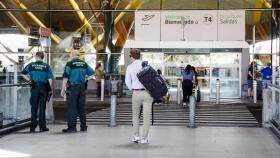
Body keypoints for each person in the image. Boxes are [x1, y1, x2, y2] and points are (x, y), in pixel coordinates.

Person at [60, 50, 94, 133]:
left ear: (73, 55)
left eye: (70, 54)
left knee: (72, 107)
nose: (70, 55)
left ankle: (72, 128)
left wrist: (62, 89)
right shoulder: (84, 64)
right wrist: (86, 79)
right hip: (82, 87)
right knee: (81, 107)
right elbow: (92, 74)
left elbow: (65, 77)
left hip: (73, 87)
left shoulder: (69, 64)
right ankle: (83, 127)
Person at [125, 48, 153, 144]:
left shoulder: (130, 67)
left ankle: (136, 136)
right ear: (140, 55)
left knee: (135, 115)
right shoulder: (147, 65)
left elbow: (127, 82)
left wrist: (132, 88)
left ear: (131, 56)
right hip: (148, 93)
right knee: (146, 117)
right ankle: (144, 138)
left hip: (136, 93)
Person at [21, 52, 53, 133]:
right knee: (42, 107)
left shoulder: (31, 65)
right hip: (44, 88)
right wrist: (50, 90)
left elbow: (23, 73)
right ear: (43, 57)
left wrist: (30, 80)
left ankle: (32, 127)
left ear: (36, 56)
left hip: (34, 86)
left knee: (34, 107)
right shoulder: (47, 66)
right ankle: (42, 127)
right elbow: (49, 79)